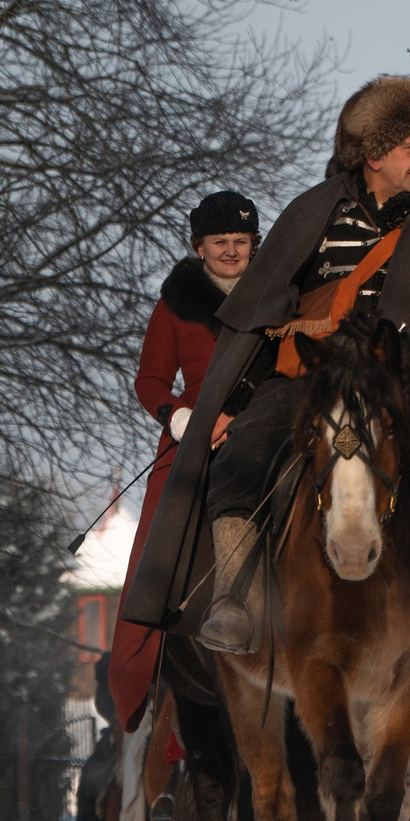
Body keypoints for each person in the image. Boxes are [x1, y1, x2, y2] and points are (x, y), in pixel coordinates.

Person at [117, 76, 410, 685]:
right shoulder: (313, 213)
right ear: (373, 154)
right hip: (311, 378)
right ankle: (235, 598)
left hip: (400, 383)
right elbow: (266, 301)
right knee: (243, 454)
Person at [108, 191, 257, 726]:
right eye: (221, 243)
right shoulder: (174, 305)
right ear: (199, 247)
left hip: (265, 423)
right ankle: (139, 668)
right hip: (193, 433)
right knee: (158, 538)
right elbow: (149, 380)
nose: (232, 252)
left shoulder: (276, 297)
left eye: (241, 242)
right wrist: (183, 419)